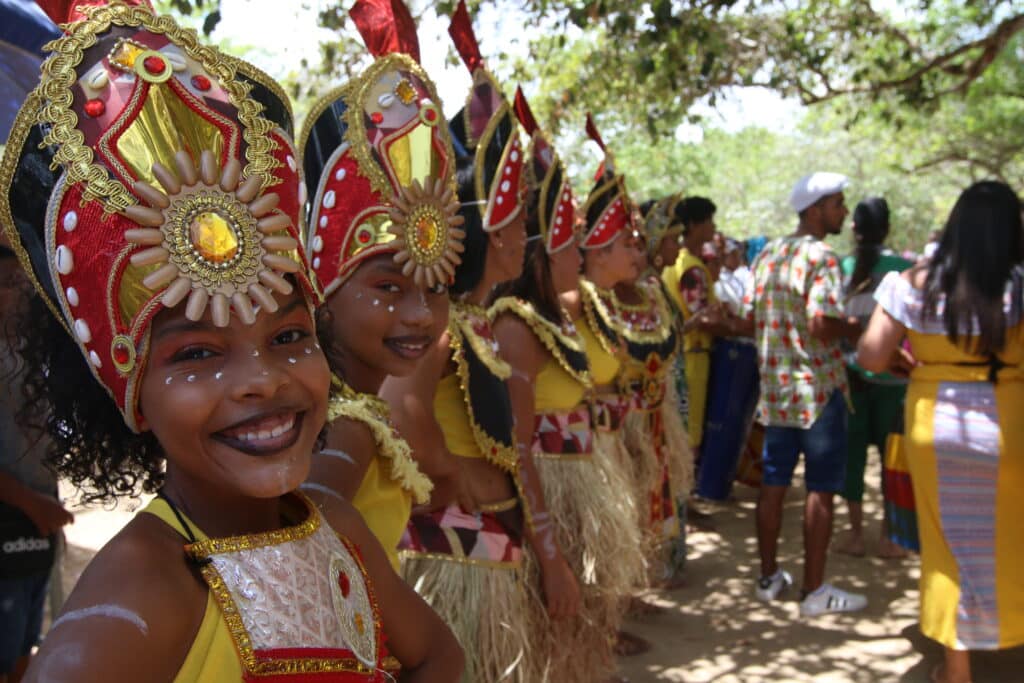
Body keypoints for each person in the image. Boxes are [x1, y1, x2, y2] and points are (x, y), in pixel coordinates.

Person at [1, 2, 462, 680]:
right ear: (129, 391)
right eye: (196, 353)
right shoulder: (135, 603)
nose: (263, 378)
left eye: (288, 335)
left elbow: (440, 655)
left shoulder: (334, 526)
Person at [381, 7, 571, 679]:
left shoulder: (475, 321)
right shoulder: (438, 325)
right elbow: (402, 409)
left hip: (487, 540)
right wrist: (448, 472)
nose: (523, 243)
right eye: (514, 228)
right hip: (454, 548)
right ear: (482, 233)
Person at [297, 0, 456, 573]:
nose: (420, 315)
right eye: (389, 288)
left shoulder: (347, 404)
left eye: (436, 289)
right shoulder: (346, 425)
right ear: (322, 284)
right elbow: (310, 536)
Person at [857, 181, 1024, 683]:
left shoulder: (915, 282)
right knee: (1013, 535)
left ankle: (957, 670)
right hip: (1009, 419)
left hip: (936, 424)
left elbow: (870, 356)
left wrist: (917, 364)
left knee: (948, 545)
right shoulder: (1018, 282)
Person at [740, 172, 867, 616]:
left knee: (773, 484)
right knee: (821, 489)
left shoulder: (770, 253)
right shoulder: (822, 257)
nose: (844, 211)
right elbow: (820, 324)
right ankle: (814, 590)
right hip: (817, 392)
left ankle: (769, 577)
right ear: (815, 209)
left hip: (776, 393)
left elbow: (747, 317)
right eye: (838, 204)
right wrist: (857, 325)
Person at [0, 249, 73, 683]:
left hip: (38, 517)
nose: (19, 295)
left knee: (26, 635)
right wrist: (31, 503)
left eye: (23, 285)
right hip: (16, 516)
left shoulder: (30, 349)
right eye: (7, 285)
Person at [835, 197, 913, 558]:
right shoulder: (903, 269)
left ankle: (853, 536)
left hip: (852, 378)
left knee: (852, 459)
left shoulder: (843, 267)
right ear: (888, 227)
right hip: (894, 382)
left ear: (854, 229)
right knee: (891, 457)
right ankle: (889, 537)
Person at [661, 196, 719, 452]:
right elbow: (704, 317)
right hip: (692, 355)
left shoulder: (679, 263)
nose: (714, 227)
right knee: (691, 426)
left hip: (681, 352)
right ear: (694, 225)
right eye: (709, 221)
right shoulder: (690, 268)